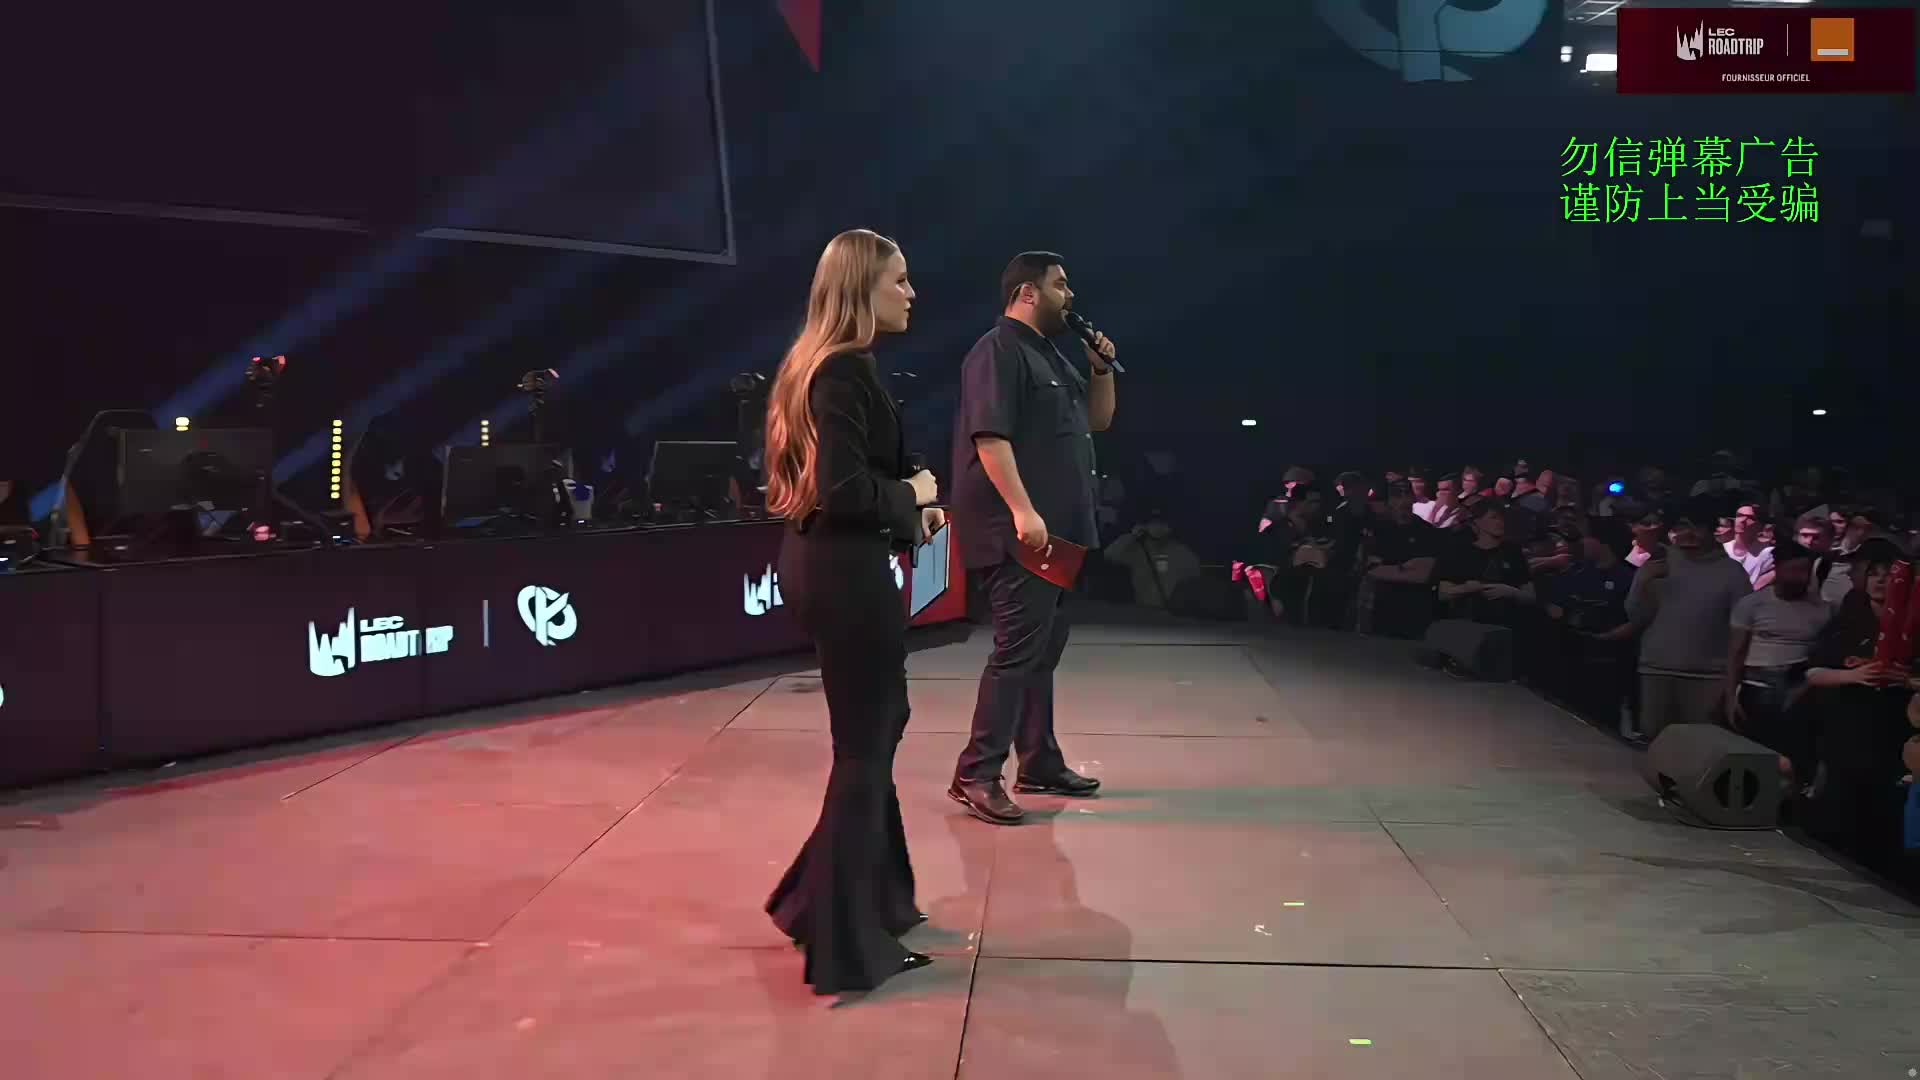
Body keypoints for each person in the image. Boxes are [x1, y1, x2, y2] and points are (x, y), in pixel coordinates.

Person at [760, 229, 941, 994]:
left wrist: (908, 505)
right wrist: (915, 495)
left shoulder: (824, 367)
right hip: (843, 575)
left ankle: (860, 902)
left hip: (831, 565)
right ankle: (843, 939)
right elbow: (843, 492)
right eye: (899, 280)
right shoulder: (841, 372)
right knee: (867, 743)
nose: (911, 293)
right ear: (862, 288)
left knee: (877, 731)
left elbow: (859, 478)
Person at [949, 251, 1116, 825]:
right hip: (1021, 531)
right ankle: (976, 772)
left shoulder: (1052, 355)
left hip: (1062, 531)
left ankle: (1039, 760)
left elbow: (1098, 421)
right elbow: (989, 437)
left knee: (1043, 652)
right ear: (1027, 292)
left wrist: (1100, 370)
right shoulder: (997, 350)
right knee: (1017, 652)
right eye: (1060, 286)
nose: (1070, 296)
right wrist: (1022, 510)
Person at [1624, 500, 1754, 739]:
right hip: (1656, 669)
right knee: (1655, 742)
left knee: (1699, 745)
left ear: (1711, 530)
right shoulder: (1659, 564)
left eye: (1697, 527)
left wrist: (1730, 683)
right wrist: (1643, 581)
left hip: (1708, 677)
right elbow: (1636, 616)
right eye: (1682, 526)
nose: (1689, 533)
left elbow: (1742, 631)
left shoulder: (1733, 573)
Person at [1724, 541, 1833, 787]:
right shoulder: (1751, 604)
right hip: (1757, 685)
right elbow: (1735, 654)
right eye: (1792, 570)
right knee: (1758, 754)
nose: (1798, 577)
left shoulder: (1822, 610)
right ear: (1778, 569)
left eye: (1803, 571)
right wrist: (1730, 696)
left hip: (1799, 687)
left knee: (1794, 756)